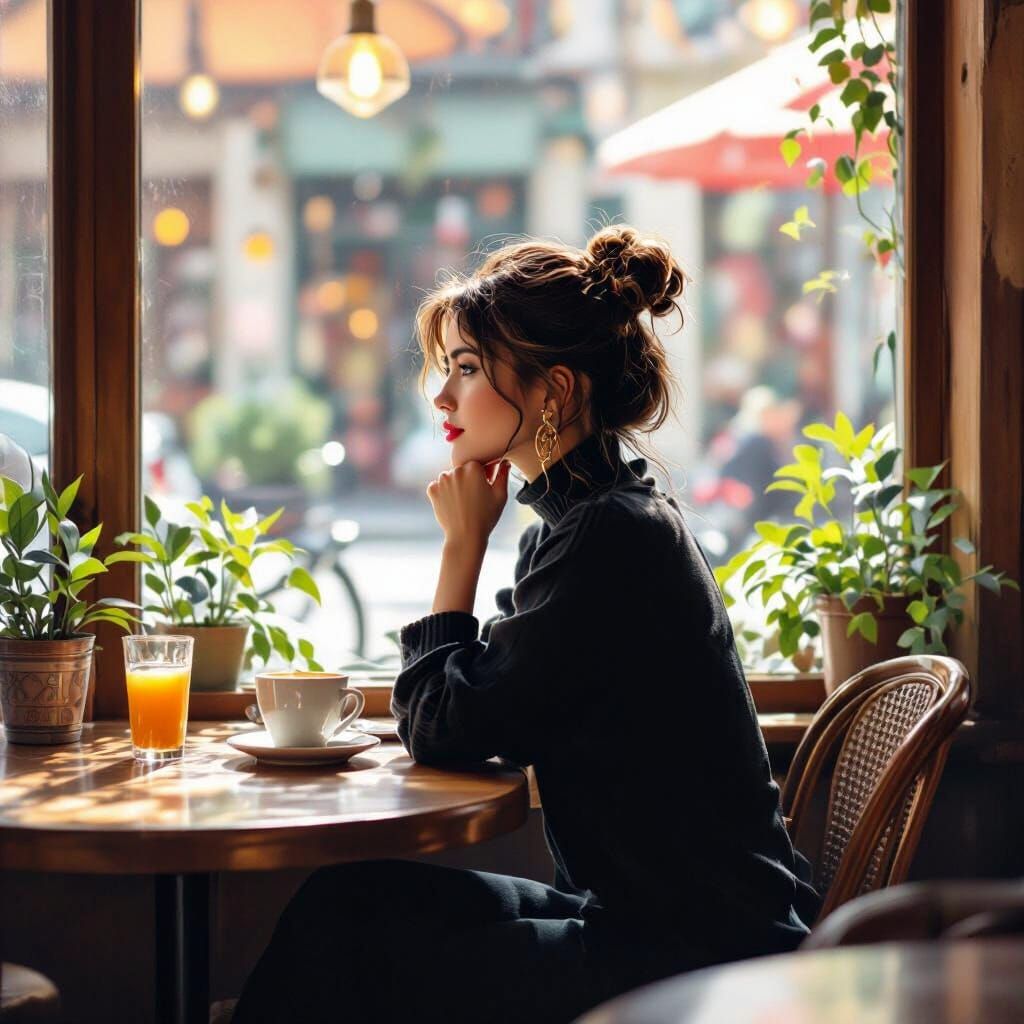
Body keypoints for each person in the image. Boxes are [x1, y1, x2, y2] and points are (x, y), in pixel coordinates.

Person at [232, 225, 820, 1024]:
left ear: (555, 392)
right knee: (344, 902)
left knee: (346, 949)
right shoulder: (592, 519)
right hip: (644, 919)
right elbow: (478, 706)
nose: (441, 397)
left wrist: (462, 546)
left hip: (688, 954)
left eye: (467, 368)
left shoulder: (609, 534)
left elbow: (443, 727)